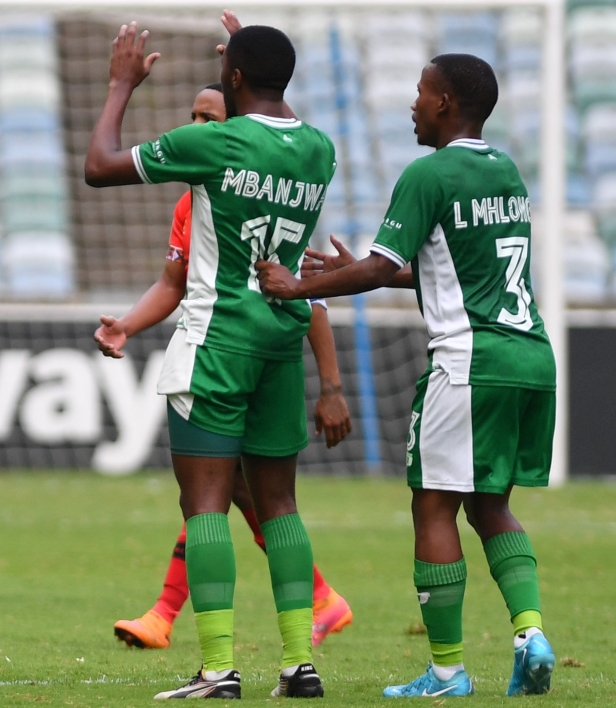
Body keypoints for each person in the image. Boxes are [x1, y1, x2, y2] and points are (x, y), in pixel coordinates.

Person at [256, 54, 556, 699]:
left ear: (445, 102)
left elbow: (375, 269)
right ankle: (531, 633)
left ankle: (447, 671)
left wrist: (301, 283)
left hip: (469, 361)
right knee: (491, 504)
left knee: (433, 504)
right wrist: (357, 268)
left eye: (421, 93)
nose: (412, 105)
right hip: (529, 355)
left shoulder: (429, 173)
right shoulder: (503, 170)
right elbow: (444, 268)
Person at [85, 17, 337, 699]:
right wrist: (247, 58)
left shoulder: (216, 142)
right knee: (280, 505)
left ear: (231, 79)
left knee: (204, 506)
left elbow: (100, 166)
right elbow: (277, 116)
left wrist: (119, 85)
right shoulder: (319, 148)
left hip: (217, 341)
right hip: (283, 344)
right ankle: (297, 665)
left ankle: (219, 669)